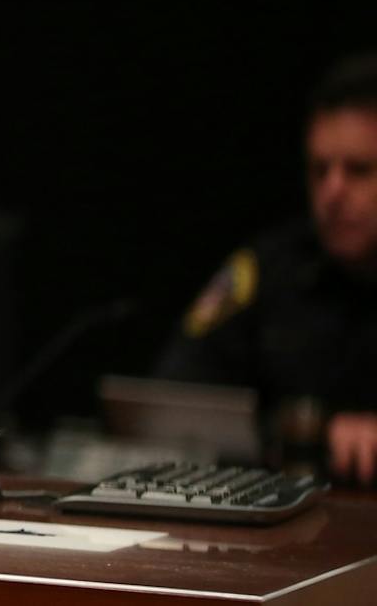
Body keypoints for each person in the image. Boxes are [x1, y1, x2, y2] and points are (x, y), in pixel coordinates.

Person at [155, 53, 377, 486]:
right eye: (319, 171)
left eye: (359, 170)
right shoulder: (269, 268)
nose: (333, 192)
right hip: (286, 520)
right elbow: (175, 398)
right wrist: (299, 429)